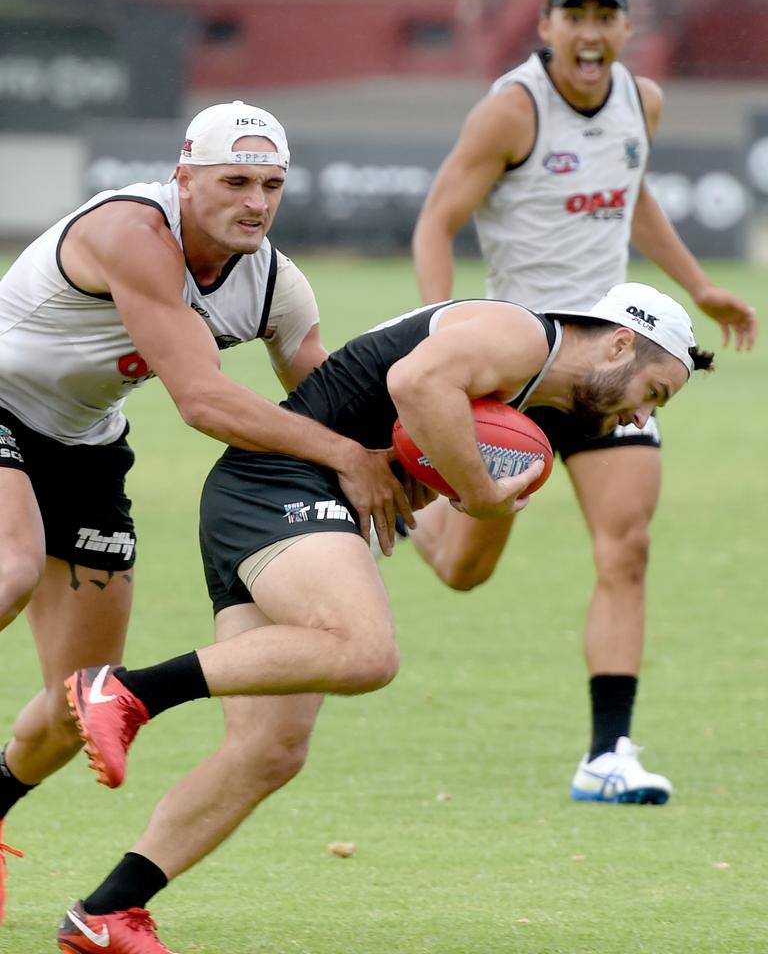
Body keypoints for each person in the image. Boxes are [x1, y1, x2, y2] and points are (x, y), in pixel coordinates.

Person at [56, 282, 715, 953]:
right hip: (277, 483)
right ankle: (130, 691)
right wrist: (481, 494)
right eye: (654, 394)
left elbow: (460, 560)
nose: (641, 419)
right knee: (366, 652)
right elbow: (415, 379)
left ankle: (109, 911)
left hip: (285, 495)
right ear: (621, 342)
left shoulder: (531, 398)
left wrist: (455, 496)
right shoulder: (523, 335)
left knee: (270, 750)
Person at [0, 100, 413, 924]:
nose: (255, 202)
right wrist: (345, 460)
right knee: (12, 564)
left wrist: (422, 468)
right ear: (184, 178)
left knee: (76, 701)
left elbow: (330, 398)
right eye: (234, 181)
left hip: (85, 448)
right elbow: (201, 400)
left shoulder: (272, 282)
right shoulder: (131, 232)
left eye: (271, 184)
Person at [409, 0, 758, 804]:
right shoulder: (510, 112)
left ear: (626, 28)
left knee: (627, 548)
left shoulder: (645, 101)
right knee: (464, 571)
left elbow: (633, 194)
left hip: (616, 361)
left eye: (607, 17)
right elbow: (436, 220)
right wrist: (437, 331)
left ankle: (608, 755)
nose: (592, 33)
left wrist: (699, 282)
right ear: (547, 27)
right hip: (519, 366)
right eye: (577, 17)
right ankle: (402, 511)